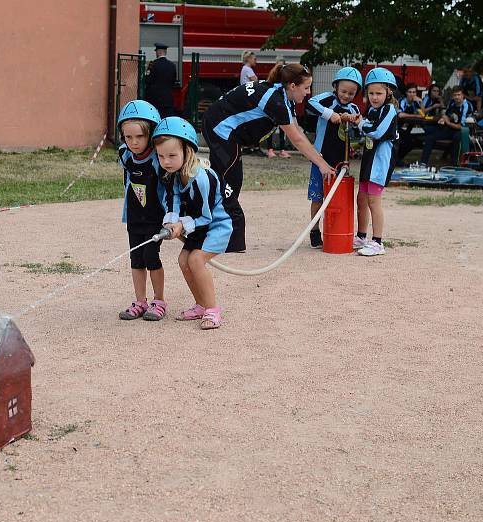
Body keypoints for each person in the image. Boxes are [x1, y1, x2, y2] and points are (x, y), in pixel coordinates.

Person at [201, 63, 336, 253]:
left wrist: (320, 159)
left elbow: (297, 130)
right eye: (306, 88)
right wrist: (322, 165)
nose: (308, 93)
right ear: (292, 86)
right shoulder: (276, 100)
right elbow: (296, 139)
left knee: (223, 180)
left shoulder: (283, 97)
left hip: (224, 129)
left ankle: (210, 229)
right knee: (230, 181)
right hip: (219, 129)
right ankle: (229, 241)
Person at [153, 117, 232, 330]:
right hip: (199, 227)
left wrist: (181, 226)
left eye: (171, 155)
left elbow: (206, 217)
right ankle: (200, 305)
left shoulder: (201, 179)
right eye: (161, 156)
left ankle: (213, 310)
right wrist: (171, 222)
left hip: (216, 225)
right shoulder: (175, 175)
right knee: (183, 260)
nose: (166, 161)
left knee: (196, 260)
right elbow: (174, 200)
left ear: (187, 151)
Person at [115, 100, 170, 321]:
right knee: (136, 259)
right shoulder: (124, 155)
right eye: (129, 137)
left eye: (140, 136)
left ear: (151, 134)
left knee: (151, 256)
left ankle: (159, 301)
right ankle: (140, 301)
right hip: (135, 216)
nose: (134, 142)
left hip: (155, 218)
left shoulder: (159, 158)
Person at [304, 66, 362, 247]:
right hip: (321, 157)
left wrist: (353, 120)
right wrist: (330, 115)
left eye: (351, 93)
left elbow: (359, 122)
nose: (346, 96)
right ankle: (314, 231)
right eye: (343, 91)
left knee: (337, 197)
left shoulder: (353, 107)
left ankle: (334, 230)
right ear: (335, 86)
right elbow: (310, 103)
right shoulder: (327, 99)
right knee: (318, 197)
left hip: (341, 161)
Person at [351, 67, 399, 257]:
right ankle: (361, 237)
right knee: (361, 199)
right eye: (371, 93)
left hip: (381, 161)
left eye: (379, 93)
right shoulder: (372, 109)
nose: (374, 97)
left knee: (373, 201)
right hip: (369, 159)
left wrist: (361, 123)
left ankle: (378, 242)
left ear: (388, 92)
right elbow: (367, 130)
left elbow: (377, 132)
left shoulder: (389, 110)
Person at [418, 86, 472, 167]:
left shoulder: (466, 106)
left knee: (457, 138)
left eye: (459, 95)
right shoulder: (452, 102)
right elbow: (446, 114)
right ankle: (423, 163)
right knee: (430, 137)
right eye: (455, 95)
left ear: (463, 95)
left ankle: (455, 164)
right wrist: (443, 119)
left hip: (463, 131)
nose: (456, 97)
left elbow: (461, 126)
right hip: (450, 128)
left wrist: (448, 122)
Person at [145, 43, 176, 118]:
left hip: (154, 99)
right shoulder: (172, 65)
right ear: (165, 52)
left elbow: (148, 80)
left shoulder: (153, 64)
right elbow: (173, 81)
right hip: (167, 99)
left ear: (158, 52)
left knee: (155, 119)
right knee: (166, 120)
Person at [395, 83, 424, 166]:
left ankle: (398, 159)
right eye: (410, 92)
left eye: (414, 92)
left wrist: (421, 102)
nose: (412, 94)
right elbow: (400, 114)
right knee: (405, 141)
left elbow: (423, 114)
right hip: (396, 127)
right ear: (406, 93)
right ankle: (396, 159)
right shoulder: (402, 101)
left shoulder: (415, 102)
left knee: (412, 142)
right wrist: (415, 115)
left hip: (407, 128)